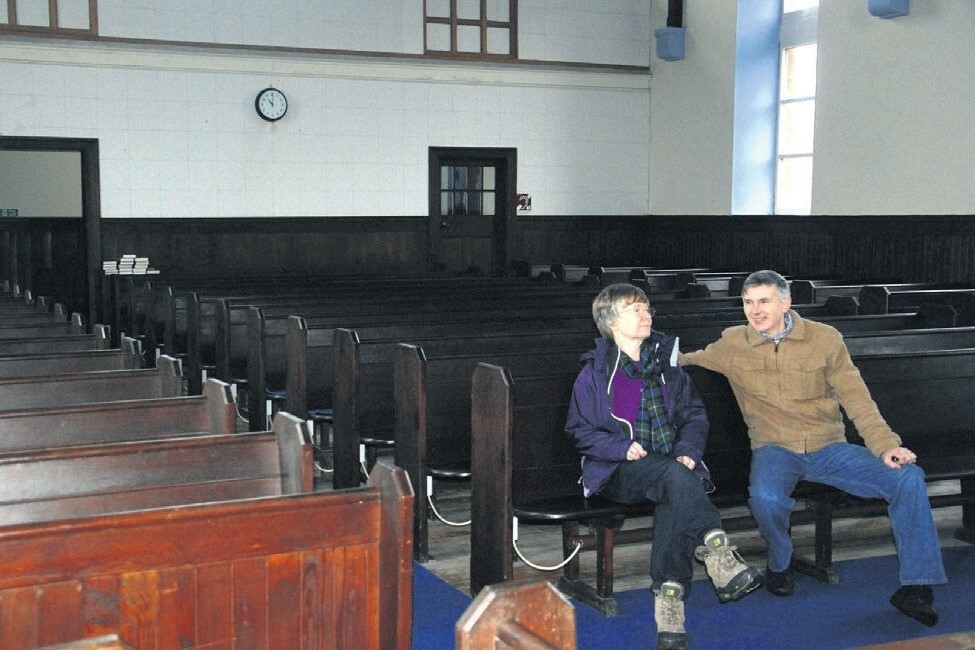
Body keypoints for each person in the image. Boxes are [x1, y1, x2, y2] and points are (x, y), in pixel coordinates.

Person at [680, 269, 947, 626]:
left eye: (764, 301)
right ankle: (780, 562)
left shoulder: (824, 339)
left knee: (907, 477)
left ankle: (917, 585)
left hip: (829, 448)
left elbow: (858, 400)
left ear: (786, 303)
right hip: (775, 449)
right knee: (766, 498)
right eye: (747, 302)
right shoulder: (733, 344)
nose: (754, 310)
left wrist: (886, 446)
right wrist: (632, 348)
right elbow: (687, 359)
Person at [565, 283, 763, 650]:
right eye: (635, 309)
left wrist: (688, 448)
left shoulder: (666, 367)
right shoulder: (596, 372)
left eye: (647, 308)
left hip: (672, 468)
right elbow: (580, 431)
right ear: (610, 321)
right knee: (676, 477)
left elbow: (694, 416)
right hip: (618, 471)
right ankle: (717, 552)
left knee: (676, 481)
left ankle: (669, 600)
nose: (646, 315)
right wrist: (622, 448)